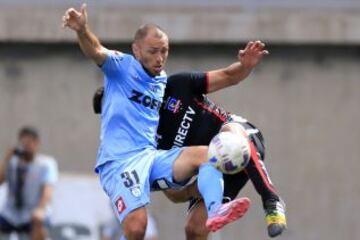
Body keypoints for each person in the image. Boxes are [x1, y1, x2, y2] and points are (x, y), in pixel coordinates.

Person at [62, 4, 265, 239]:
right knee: (138, 228)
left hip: (150, 156)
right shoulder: (122, 67)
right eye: (153, 51)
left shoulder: (162, 81)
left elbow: (227, 76)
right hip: (118, 162)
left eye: (164, 51)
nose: (160, 59)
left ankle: (215, 209)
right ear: (136, 50)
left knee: (209, 154)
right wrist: (82, 30)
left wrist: (245, 66)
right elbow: (95, 50)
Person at [92, 44, 282, 238]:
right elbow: (174, 194)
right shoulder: (145, 144)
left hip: (244, 140)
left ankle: (271, 201)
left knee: (229, 139)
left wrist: (245, 66)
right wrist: (193, 189)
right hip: (215, 172)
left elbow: (228, 76)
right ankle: (216, 205)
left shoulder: (175, 86)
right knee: (194, 229)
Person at [0, 127, 58, 240]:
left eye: (29, 143)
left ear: (37, 144)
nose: (26, 147)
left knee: (38, 222)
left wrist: (40, 209)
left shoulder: (45, 164)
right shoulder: (12, 163)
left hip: (32, 213)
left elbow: (48, 189)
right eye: (23, 143)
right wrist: (6, 160)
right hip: (11, 214)